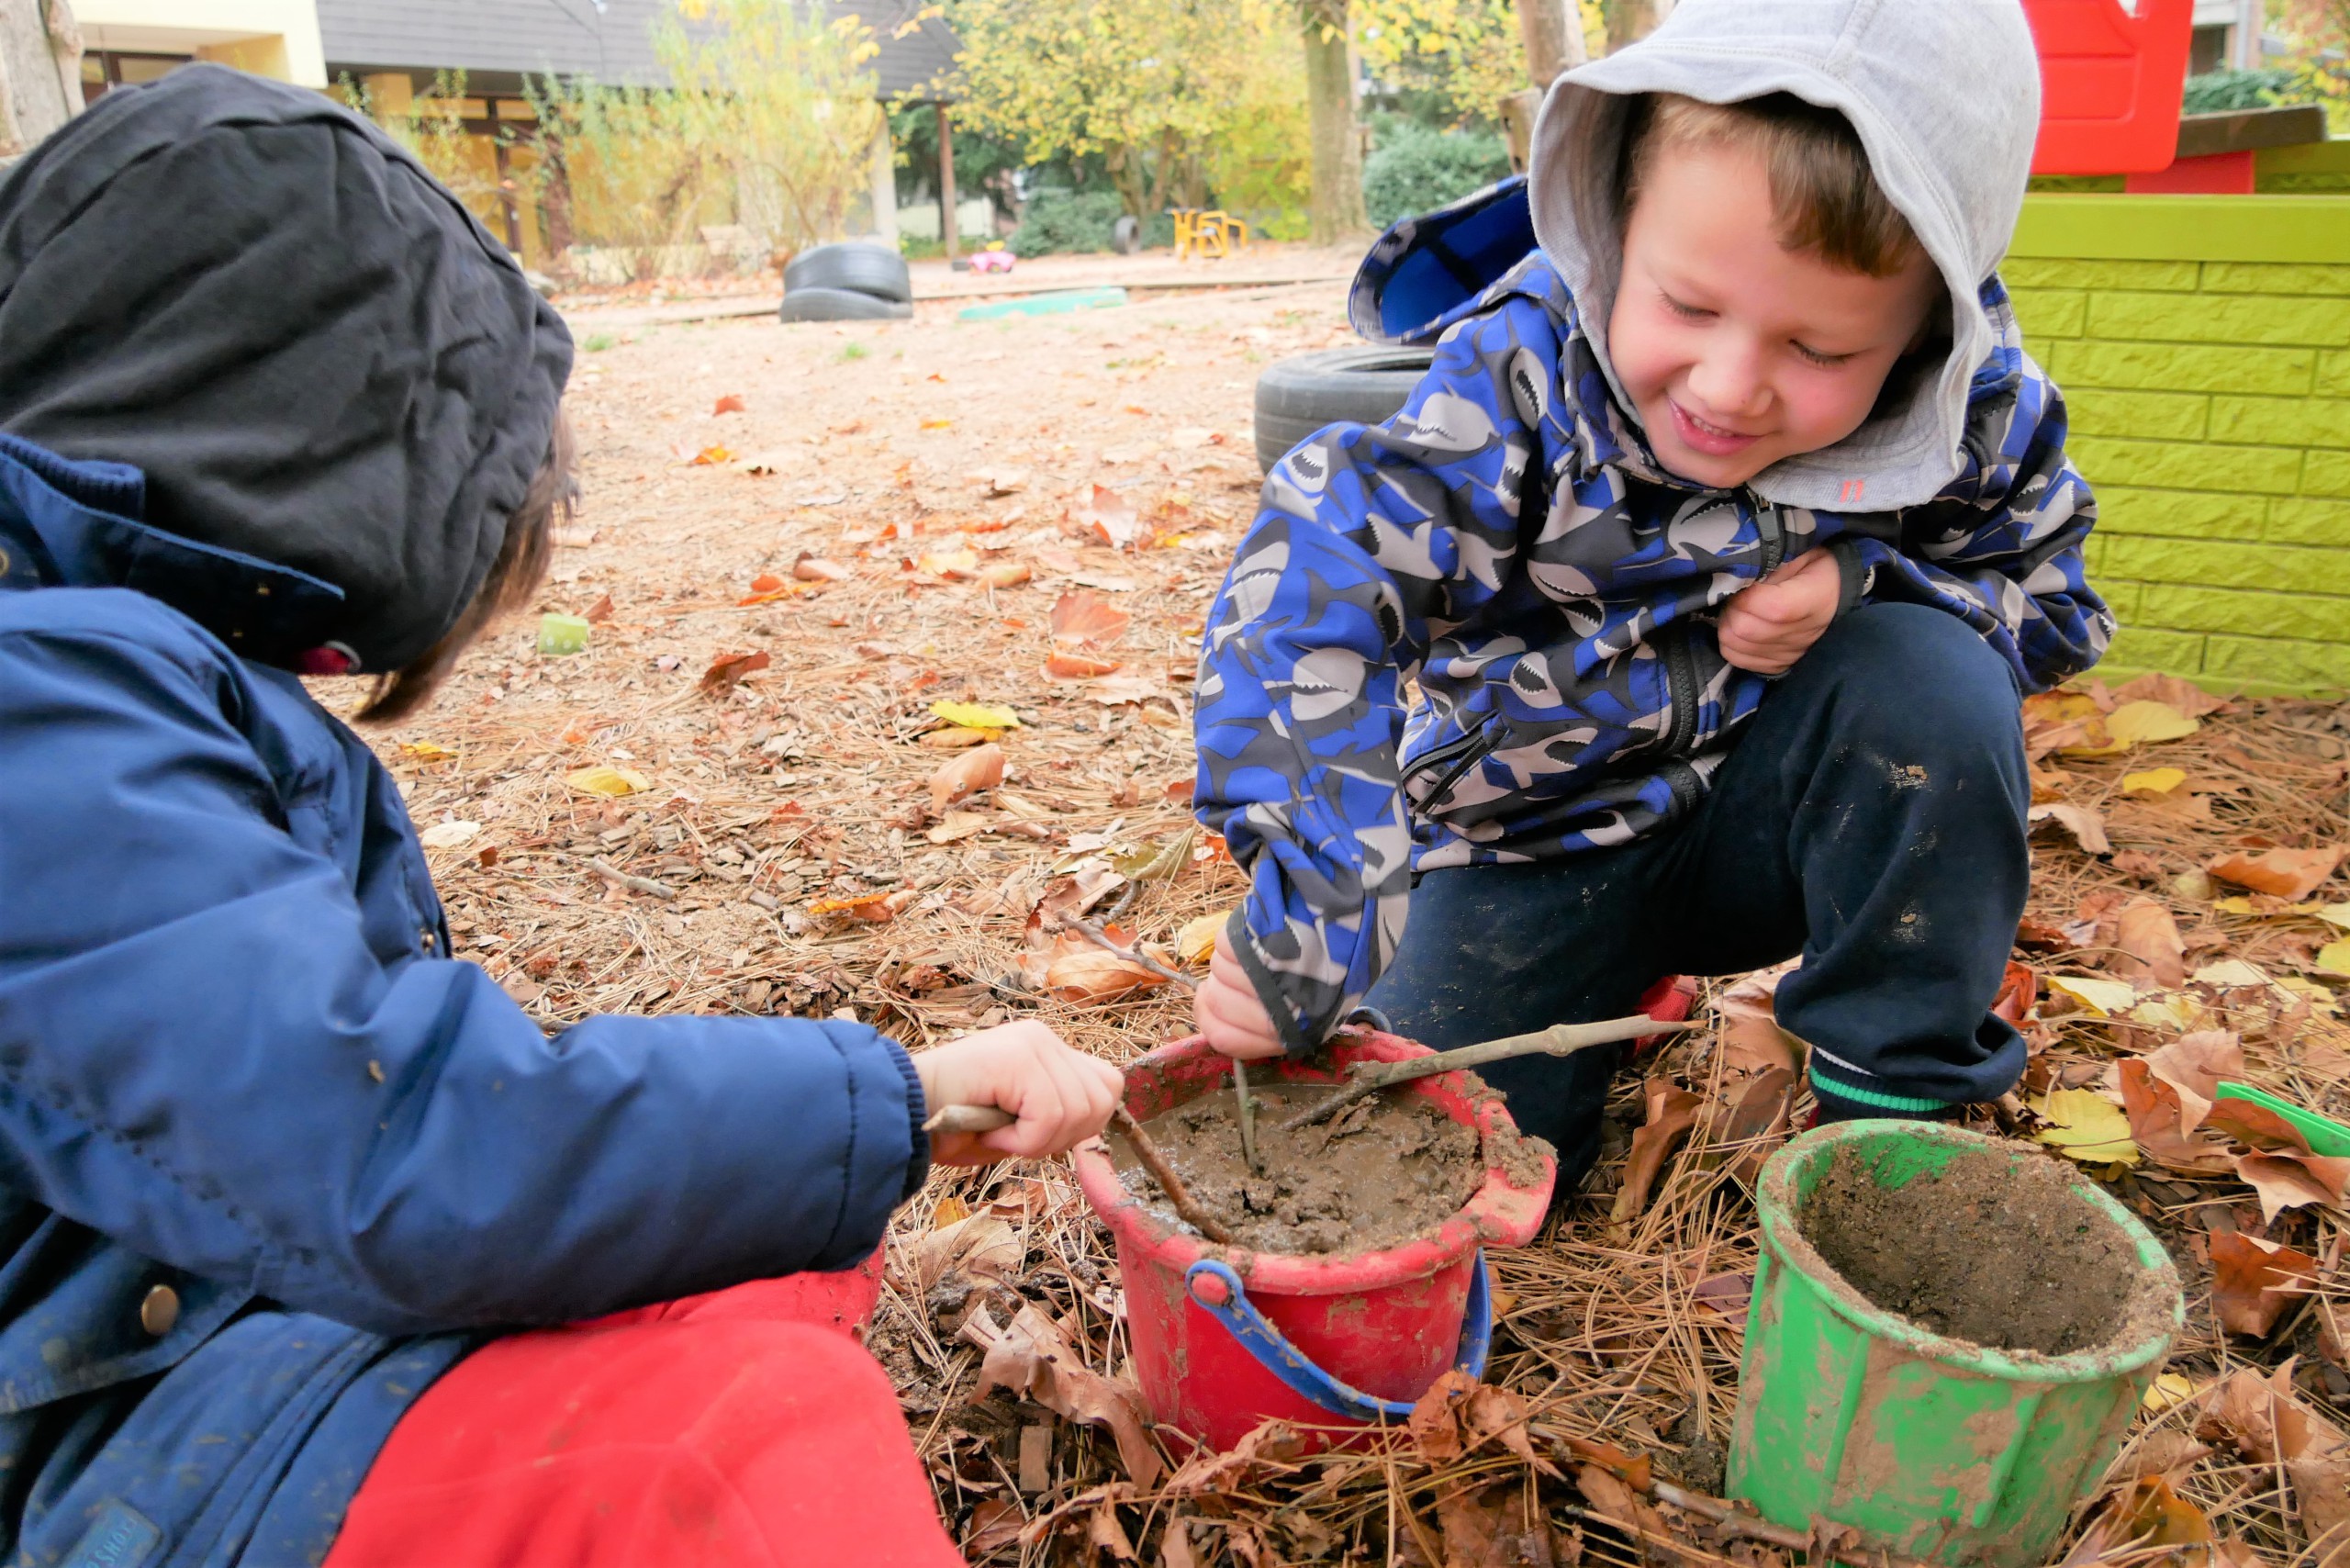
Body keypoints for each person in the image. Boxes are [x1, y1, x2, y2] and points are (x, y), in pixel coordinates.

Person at [0, 66, 1121, 1567]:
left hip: (196, 1309)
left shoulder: (98, 659)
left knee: (758, 1260)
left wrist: (862, 1129)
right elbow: (383, 1144)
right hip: (99, 1440)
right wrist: (891, 1097)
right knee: (741, 1444)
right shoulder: (36, 706)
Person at [1189, 0, 2112, 1187]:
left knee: (1931, 679)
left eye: (1821, 351)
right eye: (1687, 306)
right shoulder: (1523, 377)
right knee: (1443, 1157)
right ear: (1620, 221)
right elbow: (1316, 583)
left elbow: (2054, 605)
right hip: (1533, 838)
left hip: (1774, 829)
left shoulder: (1975, 410)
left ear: (1924, 327)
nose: (1728, 388)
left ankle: (1891, 1120)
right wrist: (1322, 894)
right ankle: (1601, 980)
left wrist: (1865, 579)